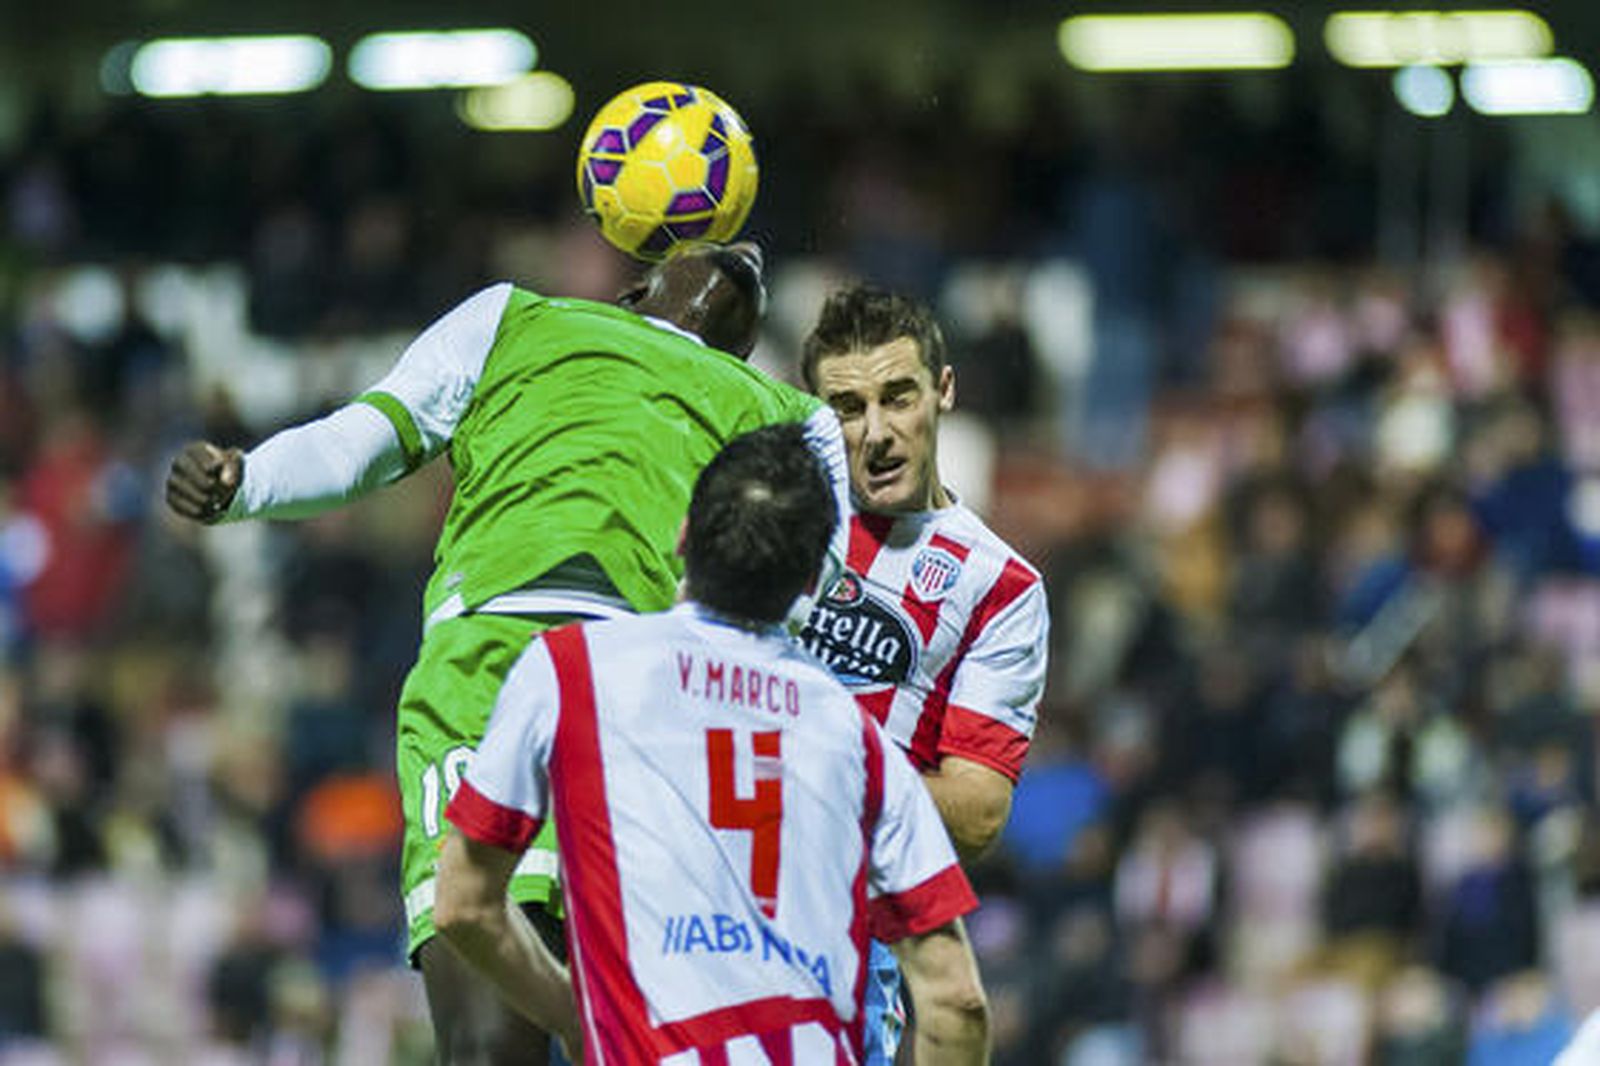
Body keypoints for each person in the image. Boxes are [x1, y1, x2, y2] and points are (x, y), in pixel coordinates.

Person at [165, 242, 849, 1065]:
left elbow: (812, 585)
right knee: (490, 1047)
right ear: (634, 289)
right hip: (484, 680)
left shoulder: (794, 418)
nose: (746, 249)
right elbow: (364, 437)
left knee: (661, 1040)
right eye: (704, 246)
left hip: (656, 696)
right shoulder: (511, 320)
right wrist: (247, 481)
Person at [435, 424, 991, 1064]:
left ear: (682, 535)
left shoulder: (571, 670)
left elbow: (462, 906)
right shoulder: (860, 740)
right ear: (813, 582)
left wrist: (575, 1016)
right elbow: (957, 1001)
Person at [797, 286, 1050, 1061]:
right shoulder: (775, 520)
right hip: (707, 898)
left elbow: (976, 815)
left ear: (943, 390)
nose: (876, 433)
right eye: (846, 408)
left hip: (851, 934)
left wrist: (807, 770)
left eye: (897, 397)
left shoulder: (1000, 585)